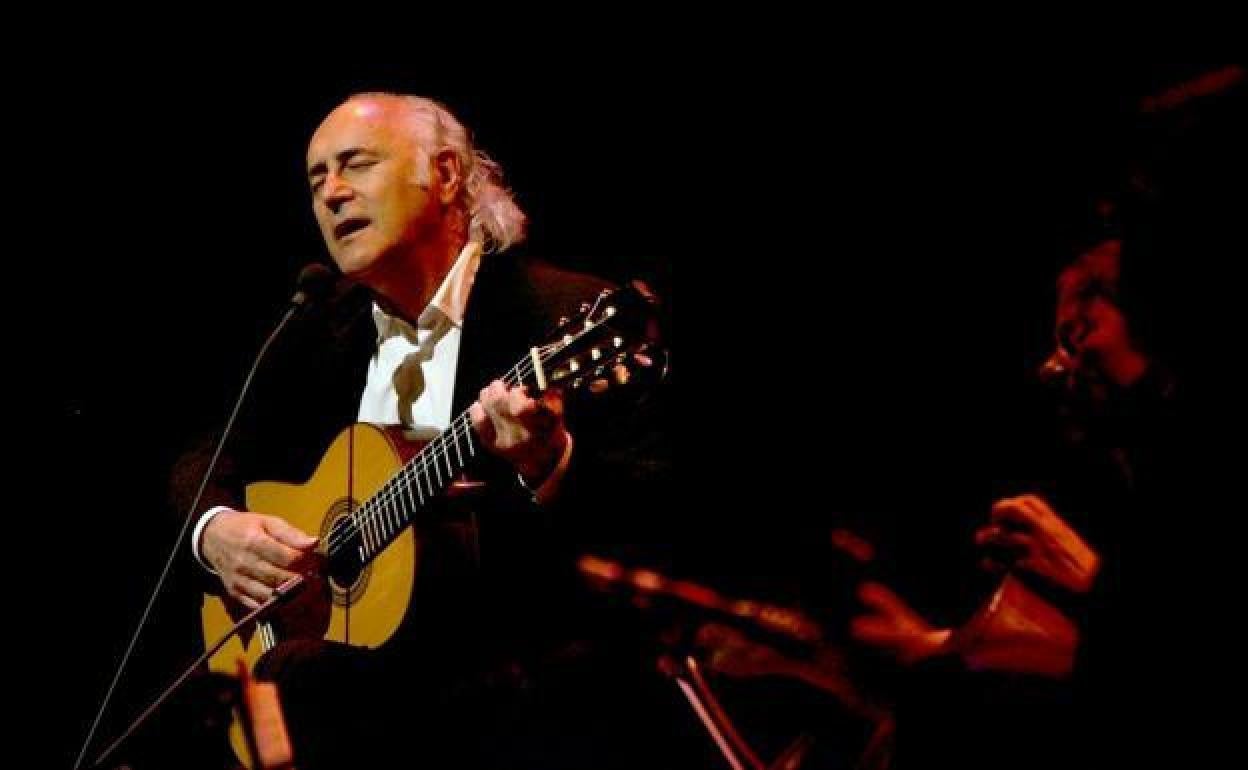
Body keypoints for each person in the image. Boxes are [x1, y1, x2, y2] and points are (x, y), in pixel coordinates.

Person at [170, 92, 686, 770]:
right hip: (353, 714)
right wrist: (216, 532)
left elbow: (660, 529)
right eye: (317, 179)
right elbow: (204, 458)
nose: (331, 194)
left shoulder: (565, 314)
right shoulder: (318, 327)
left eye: (355, 164)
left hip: (525, 704)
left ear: (445, 174)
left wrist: (551, 466)